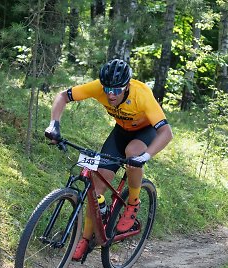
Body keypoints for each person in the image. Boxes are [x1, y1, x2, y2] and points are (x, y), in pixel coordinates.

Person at [45, 59, 173, 261]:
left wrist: (145, 156)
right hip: (120, 132)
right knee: (95, 188)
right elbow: (63, 96)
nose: (111, 94)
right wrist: (54, 125)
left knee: (133, 154)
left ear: (127, 86)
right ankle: (86, 238)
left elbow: (166, 133)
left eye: (117, 89)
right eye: (107, 89)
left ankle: (133, 201)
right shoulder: (98, 88)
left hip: (145, 133)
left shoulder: (142, 95)